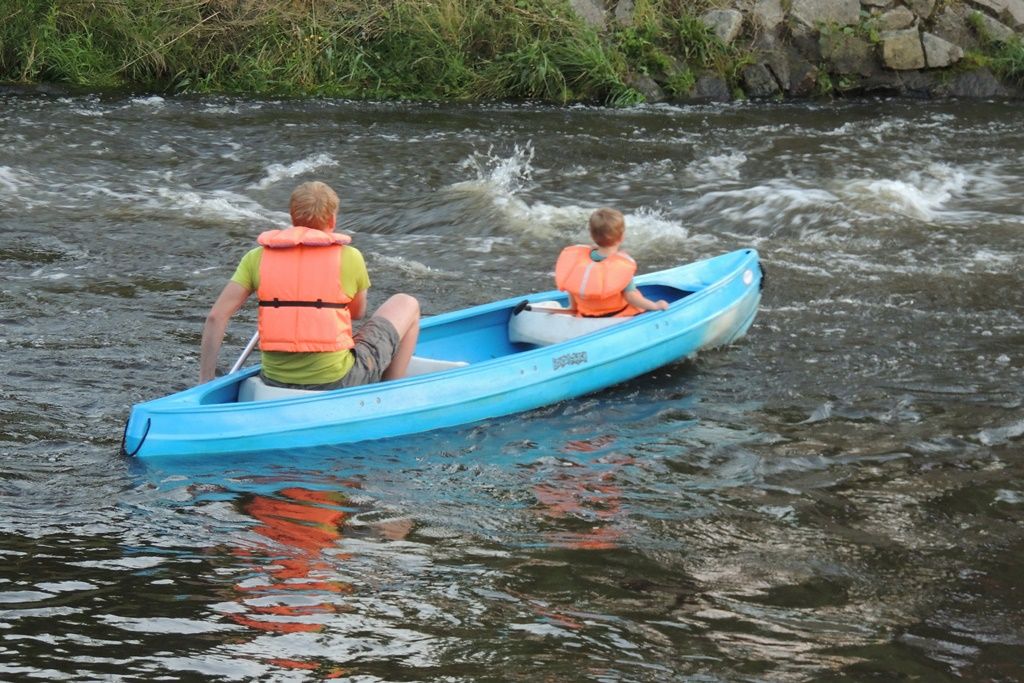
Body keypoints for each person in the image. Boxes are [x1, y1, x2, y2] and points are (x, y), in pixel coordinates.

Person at [199, 181, 420, 388]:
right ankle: (390, 390)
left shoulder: (256, 257)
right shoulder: (350, 256)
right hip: (337, 379)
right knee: (407, 303)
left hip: (274, 379)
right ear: (332, 220)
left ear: (292, 217)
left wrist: (205, 380)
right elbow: (357, 312)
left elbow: (216, 317)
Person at [554, 208, 668, 317]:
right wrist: (655, 306)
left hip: (585, 314)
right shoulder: (621, 266)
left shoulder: (580, 261)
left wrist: (572, 308)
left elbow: (573, 288)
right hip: (616, 315)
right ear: (622, 237)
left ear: (592, 236)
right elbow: (631, 296)